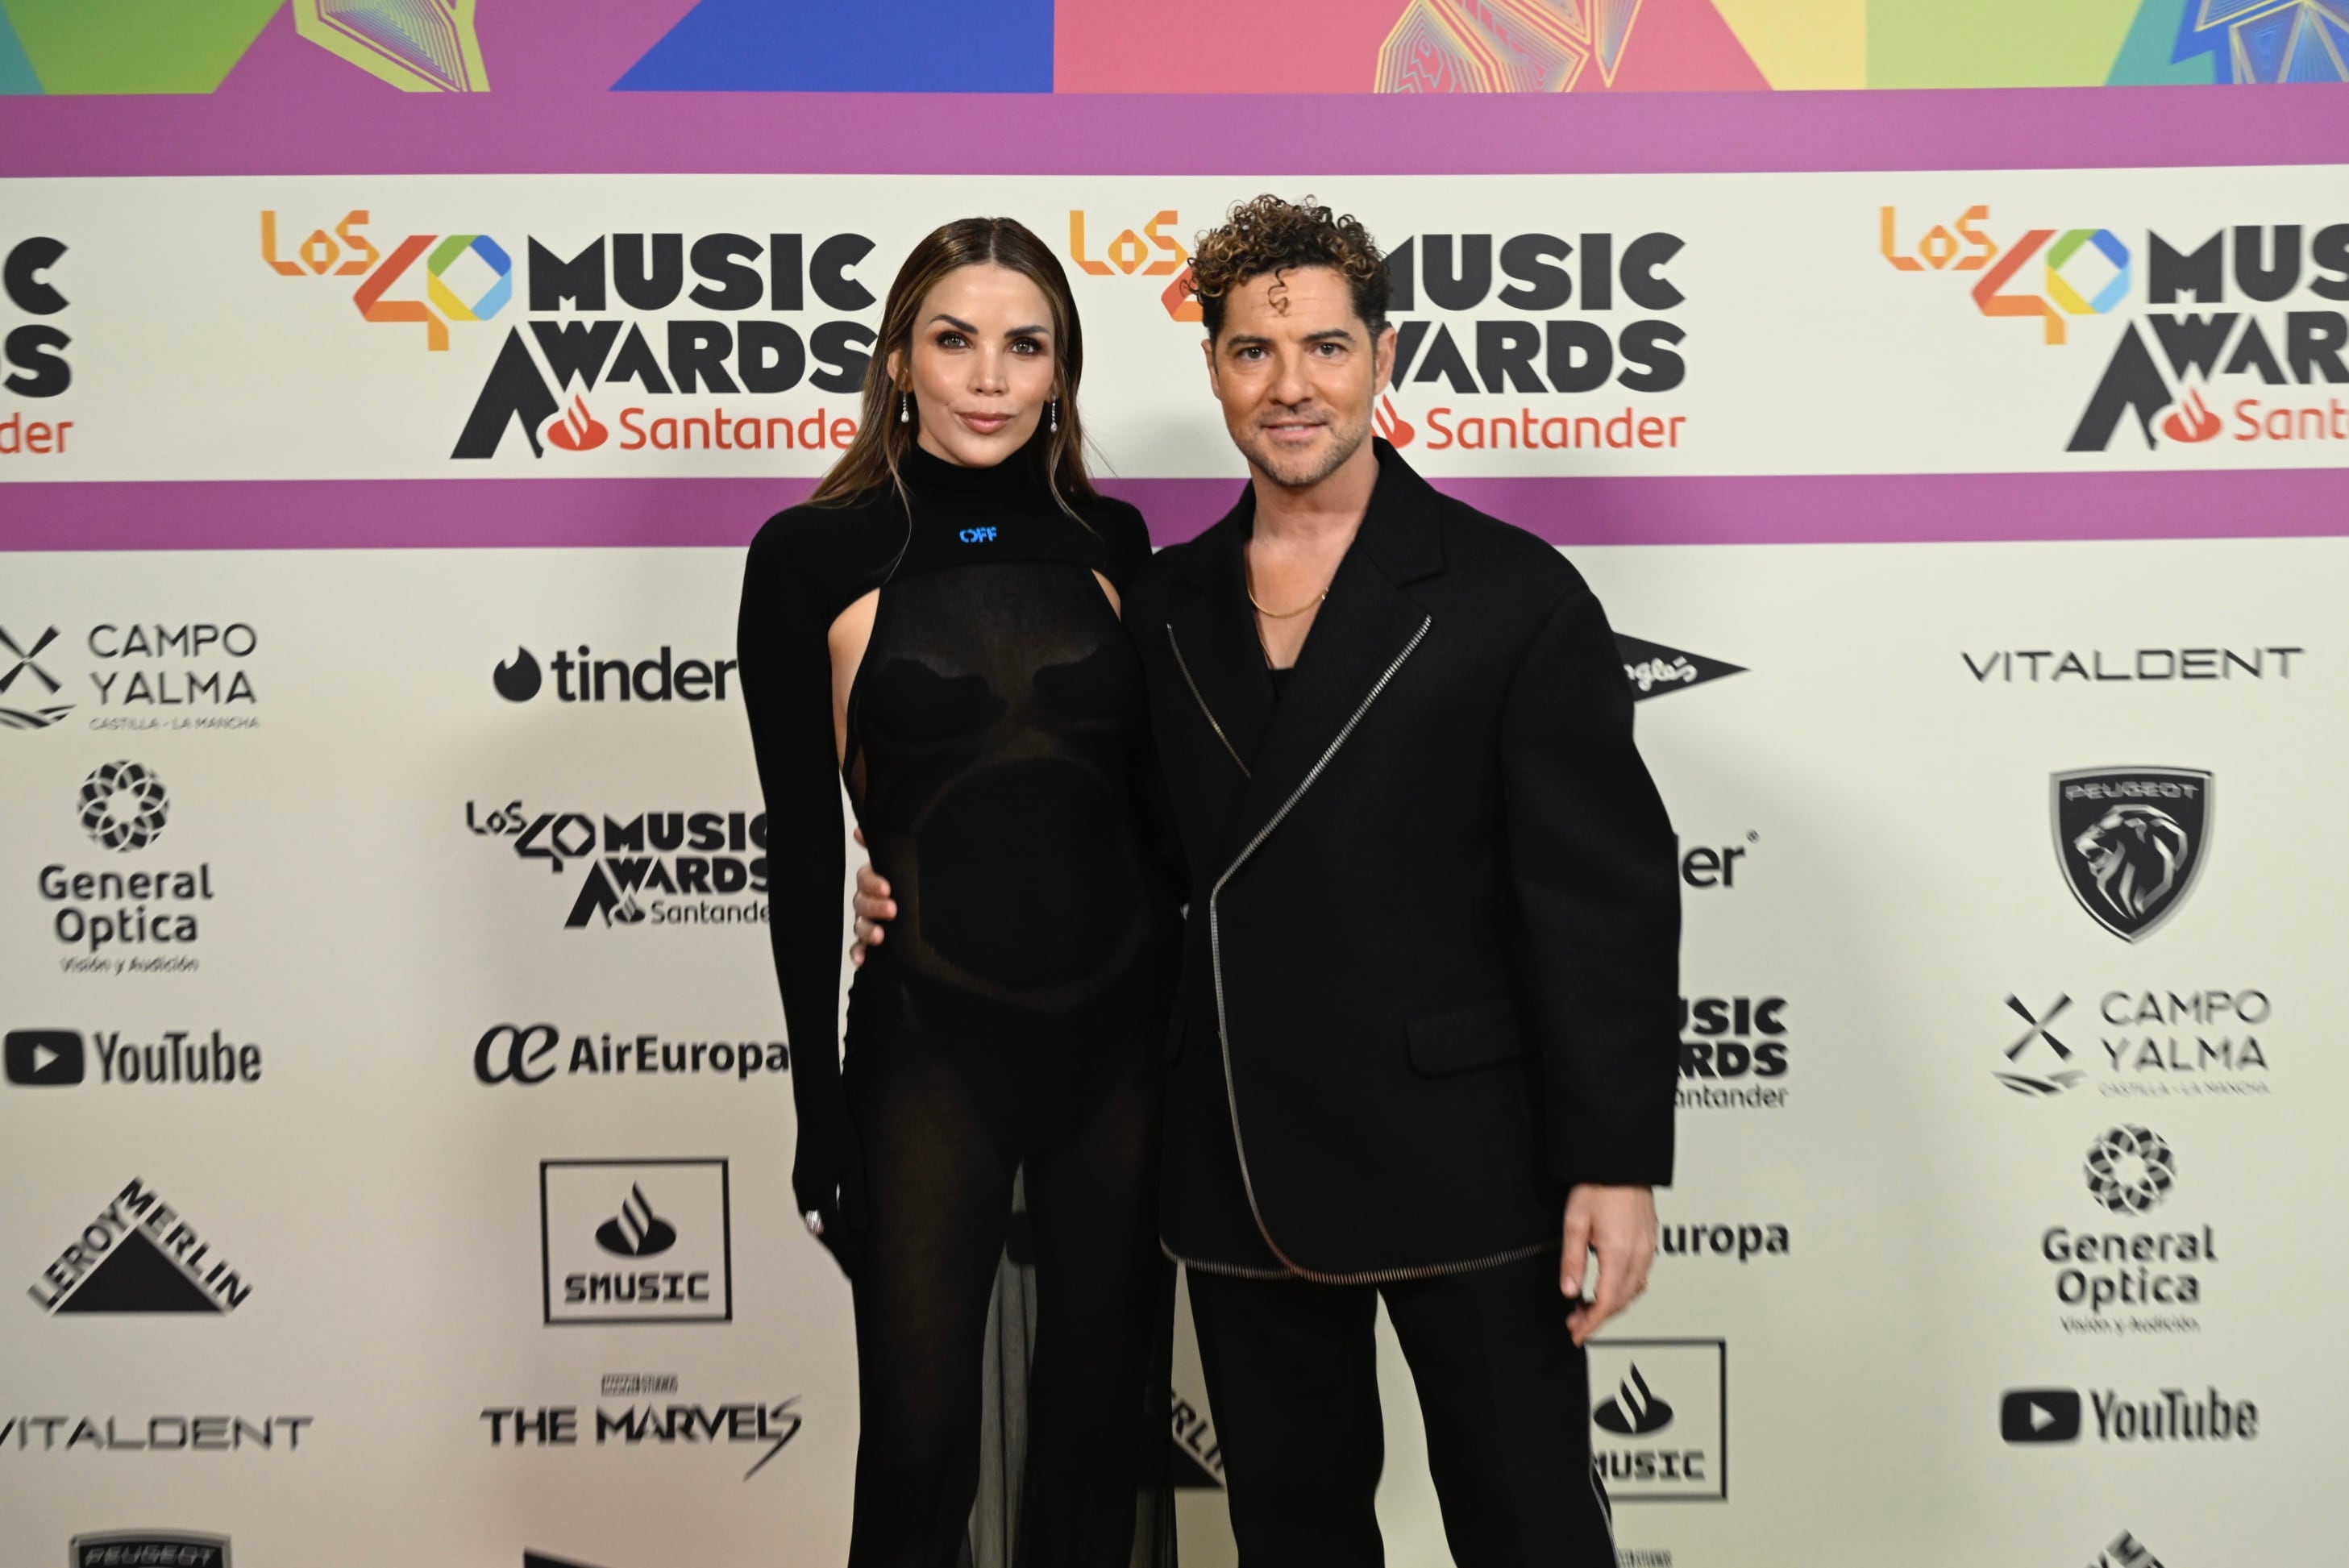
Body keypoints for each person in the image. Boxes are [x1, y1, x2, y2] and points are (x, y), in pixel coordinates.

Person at [855, 196, 1681, 1566]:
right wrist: (902, 884)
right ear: (1213, 369)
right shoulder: (1164, 603)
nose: (1289, 386)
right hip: (1241, 1152)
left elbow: (1600, 898)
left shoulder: (1510, 595)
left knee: (1529, 1525)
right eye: (1252, 352)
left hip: (1467, 1155)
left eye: (1323, 349)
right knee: (1291, 1538)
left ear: (1382, 356)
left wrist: (1612, 1158)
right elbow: (1119, 845)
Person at [737, 216, 1181, 1568]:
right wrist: (817, 1098)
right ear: (897, 362)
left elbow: (1164, 811)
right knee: (918, 1446)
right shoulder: (810, 554)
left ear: (1060, 375)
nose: (989, 375)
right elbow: (805, 843)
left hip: (1126, 1044)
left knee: (1100, 1433)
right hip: (929, 1046)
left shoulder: (1115, 534)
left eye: (1024, 345)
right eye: (955, 339)